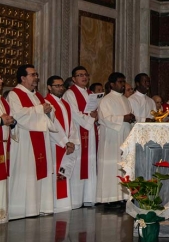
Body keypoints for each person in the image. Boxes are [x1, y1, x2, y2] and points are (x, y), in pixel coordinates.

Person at [7, 64, 55, 219]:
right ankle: (21, 210)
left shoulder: (37, 95)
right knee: (26, 173)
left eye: (36, 74)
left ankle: (39, 207)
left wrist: (47, 111)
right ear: (23, 78)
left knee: (38, 172)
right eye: (32, 75)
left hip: (40, 137)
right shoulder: (15, 94)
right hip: (26, 141)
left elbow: (47, 113)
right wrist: (41, 109)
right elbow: (18, 115)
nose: (36, 77)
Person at [97, 72, 135, 205]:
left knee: (123, 166)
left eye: (123, 82)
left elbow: (129, 117)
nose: (123, 84)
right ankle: (109, 199)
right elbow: (104, 119)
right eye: (120, 82)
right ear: (112, 84)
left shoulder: (125, 100)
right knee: (111, 167)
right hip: (111, 139)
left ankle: (123, 197)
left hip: (124, 136)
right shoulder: (106, 100)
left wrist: (131, 118)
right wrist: (123, 118)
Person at [64, 66, 98, 208]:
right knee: (79, 165)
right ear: (73, 79)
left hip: (90, 132)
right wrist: (90, 119)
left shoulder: (91, 94)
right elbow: (74, 114)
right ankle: (76, 200)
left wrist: (95, 115)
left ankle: (89, 197)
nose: (83, 77)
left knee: (89, 164)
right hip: (78, 131)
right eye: (79, 75)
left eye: (85, 74)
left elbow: (95, 111)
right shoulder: (70, 94)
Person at [45, 76, 78, 213]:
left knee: (64, 174)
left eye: (61, 85)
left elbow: (72, 125)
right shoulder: (46, 103)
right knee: (55, 173)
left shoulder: (65, 103)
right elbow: (53, 125)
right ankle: (54, 205)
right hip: (54, 144)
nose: (60, 88)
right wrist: (65, 142)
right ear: (49, 87)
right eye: (56, 86)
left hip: (66, 144)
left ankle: (63, 204)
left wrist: (72, 141)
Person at [0, 69, 15, 224]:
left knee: (2, 182)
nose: (1, 81)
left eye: (1, 78)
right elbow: (0, 120)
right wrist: (0, 121)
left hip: (2, 146)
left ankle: (1, 216)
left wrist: (11, 122)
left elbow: (7, 120)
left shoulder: (2, 100)